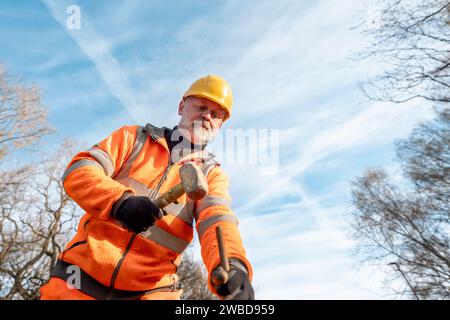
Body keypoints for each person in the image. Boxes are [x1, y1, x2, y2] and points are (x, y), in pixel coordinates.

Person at [39, 75, 254, 300]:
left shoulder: (211, 175)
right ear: (181, 106)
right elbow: (79, 172)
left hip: (150, 292)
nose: (206, 116)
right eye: (201, 106)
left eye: (216, 114)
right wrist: (119, 202)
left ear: (220, 124)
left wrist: (233, 264)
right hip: (78, 280)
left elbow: (217, 220)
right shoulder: (133, 138)